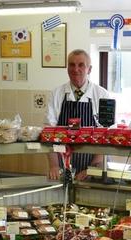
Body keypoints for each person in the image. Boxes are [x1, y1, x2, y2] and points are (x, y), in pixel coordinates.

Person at [46, 49, 109, 180]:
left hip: (93, 164)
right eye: (72, 65)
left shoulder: (102, 95)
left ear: (89, 69)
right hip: (62, 164)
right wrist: (54, 166)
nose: (76, 69)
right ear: (67, 67)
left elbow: (106, 135)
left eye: (81, 65)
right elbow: (49, 133)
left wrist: (91, 169)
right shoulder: (56, 94)